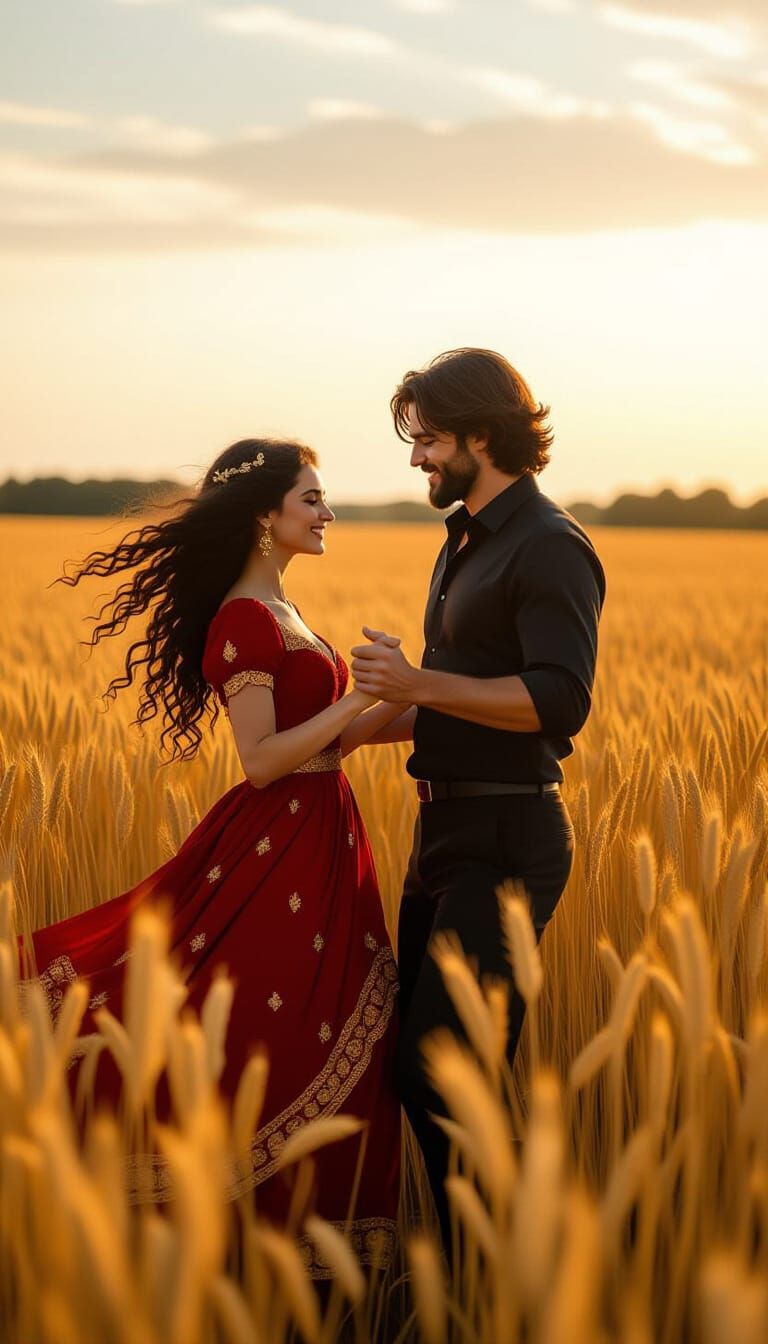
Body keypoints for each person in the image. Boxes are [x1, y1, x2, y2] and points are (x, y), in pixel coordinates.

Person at [19, 437, 405, 1271]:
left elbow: (331, 746)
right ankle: (250, 1257)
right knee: (269, 1040)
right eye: (313, 498)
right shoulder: (244, 618)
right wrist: (362, 700)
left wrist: (423, 696)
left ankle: (304, 1256)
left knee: (338, 1032)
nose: (327, 511)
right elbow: (263, 759)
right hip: (277, 853)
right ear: (266, 516)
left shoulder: (286, 612)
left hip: (322, 837)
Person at [350, 348, 606, 1253]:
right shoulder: (462, 539)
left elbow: (558, 700)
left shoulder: (550, 546)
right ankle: (482, 1260)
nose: (417, 458)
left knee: (443, 1069)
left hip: (508, 830)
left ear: (481, 436)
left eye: (427, 440)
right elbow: (448, 697)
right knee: (418, 1068)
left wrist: (416, 683)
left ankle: (498, 1267)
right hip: (445, 829)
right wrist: (337, 734)